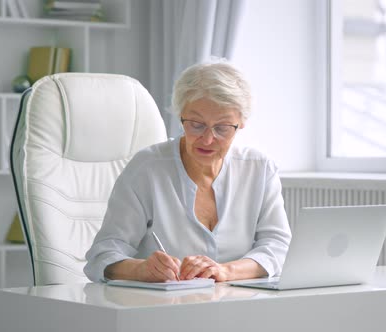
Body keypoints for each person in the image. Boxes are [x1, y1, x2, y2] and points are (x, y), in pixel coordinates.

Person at [84, 61, 292, 283]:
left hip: (238, 304)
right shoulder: (147, 168)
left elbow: (278, 248)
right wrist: (141, 270)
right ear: (180, 114)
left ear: (241, 123)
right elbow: (102, 256)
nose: (208, 139)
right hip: (163, 308)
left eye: (222, 128)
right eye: (196, 124)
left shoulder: (259, 168)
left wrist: (225, 271)